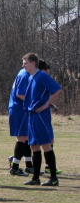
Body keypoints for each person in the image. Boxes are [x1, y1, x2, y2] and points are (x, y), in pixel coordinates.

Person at [21, 53, 62, 186]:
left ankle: (54, 178)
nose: (23, 65)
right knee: (33, 145)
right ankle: (35, 178)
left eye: (25, 63)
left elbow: (57, 90)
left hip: (40, 115)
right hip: (31, 115)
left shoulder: (42, 76)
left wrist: (46, 105)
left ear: (33, 63)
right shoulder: (31, 77)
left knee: (46, 144)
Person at [7, 64, 31, 177]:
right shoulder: (25, 75)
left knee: (26, 137)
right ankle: (14, 166)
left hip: (20, 109)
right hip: (19, 109)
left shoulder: (25, 73)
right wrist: (34, 101)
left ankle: (29, 165)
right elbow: (20, 94)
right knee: (22, 138)